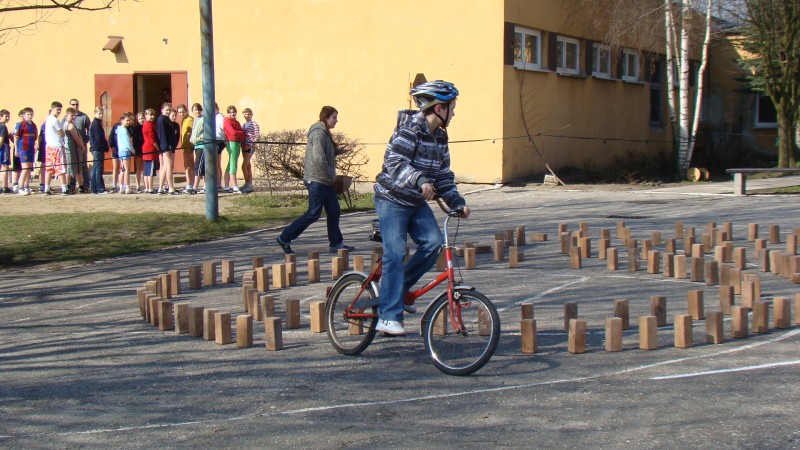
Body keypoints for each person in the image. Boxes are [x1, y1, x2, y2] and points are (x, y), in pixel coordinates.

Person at [373, 80, 470, 336]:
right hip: (391, 199)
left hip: (415, 202)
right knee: (394, 252)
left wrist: (457, 202)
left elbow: (442, 176)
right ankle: (388, 316)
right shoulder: (410, 129)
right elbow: (395, 161)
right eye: (452, 106)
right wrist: (419, 179)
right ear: (439, 108)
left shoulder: (440, 136)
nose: (455, 112)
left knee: (434, 242)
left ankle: (397, 291)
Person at [276, 106, 354, 255]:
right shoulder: (318, 133)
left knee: (334, 211)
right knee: (313, 213)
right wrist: (330, 173)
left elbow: (326, 153)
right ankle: (284, 237)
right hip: (317, 180)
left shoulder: (325, 133)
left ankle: (336, 243)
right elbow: (319, 158)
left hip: (325, 180)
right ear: (326, 117)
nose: (336, 121)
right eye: (334, 117)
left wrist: (340, 150)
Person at [43, 101, 68, 195]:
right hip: (57, 146)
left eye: (60, 110)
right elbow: (62, 133)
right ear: (52, 109)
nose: (59, 111)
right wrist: (61, 133)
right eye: (57, 109)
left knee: (49, 168)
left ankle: (47, 188)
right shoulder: (55, 120)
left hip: (49, 146)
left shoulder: (47, 120)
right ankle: (64, 188)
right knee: (61, 168)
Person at [14, 107, 38, 196]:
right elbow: (15, 138)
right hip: (23, 149)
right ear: (24, 115)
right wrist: (16, 149)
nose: (30, 116)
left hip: (31, 149)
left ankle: (26, 186)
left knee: (29, 169)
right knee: (25, 168)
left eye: (31, 114)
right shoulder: (20, 125)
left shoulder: (33, 125)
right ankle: (20, 187)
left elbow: (35, 137)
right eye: (28, 114)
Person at [69, 98, 91, 193]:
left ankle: (85, 185)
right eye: (73, 104)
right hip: (71, 145)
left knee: (83, 164)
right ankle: (72, 185)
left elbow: (89, 128)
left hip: (82, 144)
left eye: (77, 104)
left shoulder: (84, 116)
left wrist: (86, 139)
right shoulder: (66, 117)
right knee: (72, 165)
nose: (75, 106)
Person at [156, 102, 178, 194]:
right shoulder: (161, 119)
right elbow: (162, 135)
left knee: (165, 167)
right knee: (169, 166)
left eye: (169, 110)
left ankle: (160, 188)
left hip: (169, 145)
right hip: (166, 146)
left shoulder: (166, 119)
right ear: (162, 110)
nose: (168, 111)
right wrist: (166, 147)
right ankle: (171, 188)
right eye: (166, 110)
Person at [63, 107, 85, 193]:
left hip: (70, 149)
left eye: (74, 115)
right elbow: (76, 138)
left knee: (71, 168)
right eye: (71, 115)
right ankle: (78, 186)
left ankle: (77, 186)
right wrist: (82, 146)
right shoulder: (70, 125)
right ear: (67, 115)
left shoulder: (66, 124)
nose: (73, 117)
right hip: (73, 149)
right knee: (75, 168)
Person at [223, 105, 245, 194]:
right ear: (228, 113)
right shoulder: (227, 120)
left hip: (237, 142)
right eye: (230, 112)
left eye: (233, 112)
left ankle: (226, 186)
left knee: (230, 163)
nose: (232, 114)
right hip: (231, 142)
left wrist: (239, 133)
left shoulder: (236, 122)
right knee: (233, 163)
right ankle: (235, 186)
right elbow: (232, 132)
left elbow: (243, 134)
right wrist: (240, 133)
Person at [88, 107, 109, 194]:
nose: (100, 115)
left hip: (96, 148)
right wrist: (104, 146)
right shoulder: (95, 124)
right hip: (97, 148)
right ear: (95, 113)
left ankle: (94, 188)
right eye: (99, 113)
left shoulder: (97, 123)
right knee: (98, 169)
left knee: (95, 168)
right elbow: (98, 137)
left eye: (101, 113)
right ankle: (100, 188)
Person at [177, 104, 196, 194]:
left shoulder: (189, 120)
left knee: (188, 165)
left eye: (183, 112)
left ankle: (189, 184)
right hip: (185, 145)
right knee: (189, 165)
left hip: (188, 145)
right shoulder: (184, 120)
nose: (181, 114)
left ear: (186, 111)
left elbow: (192, 131)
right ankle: (191, 183)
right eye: (180, 112)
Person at [241, 107, 260, 193]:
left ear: (251, 115)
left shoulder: (254, 124)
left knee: (244, 166)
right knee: (248, 166)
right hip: (244, 146)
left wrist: (250, 145)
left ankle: (248, 184)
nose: (247, 115)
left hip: (250, 147)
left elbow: (256, 136)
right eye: (245, 114)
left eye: (248, 114)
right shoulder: (244, 125)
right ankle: (248, 184)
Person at [141, 108, 160, 194]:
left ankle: (147, 187)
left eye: (153, 115)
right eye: (150, 115)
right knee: (151, 170)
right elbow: (153, 139)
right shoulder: (149, 125)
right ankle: (150, 188)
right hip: (151, 148)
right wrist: (158, 148)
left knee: (147, 170)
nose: (152, 117)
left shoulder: (145, 124)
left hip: (146, 147)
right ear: (146, 116)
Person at [189, 103, 205, 193]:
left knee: (198, 166)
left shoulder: (203, 119)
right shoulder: (195, 120)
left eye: (199, 109)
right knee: (201, 166)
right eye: (195, 110)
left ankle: (195, 187)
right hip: (197, 145)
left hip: (202, 145)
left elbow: (207, 132)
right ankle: (204, 186)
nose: (197, 111)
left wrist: (198, 139)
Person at [116, 112, 134, 194]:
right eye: (127, 120)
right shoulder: (123, 130)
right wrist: (132, 149)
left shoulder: (119, 130)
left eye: (130, 120)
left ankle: (121, 187)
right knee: (126, 170)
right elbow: (127, 142)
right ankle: (127, 187)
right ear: (122, 120)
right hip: (125, 150)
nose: (128, 122)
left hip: (121, 151)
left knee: (122, 170)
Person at [131, 112, 145, 192]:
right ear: (137, 120)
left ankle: (145, 184)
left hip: (145, 149)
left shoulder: (146, 126)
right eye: (140, 119)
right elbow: (134, 140)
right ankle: (138, 185)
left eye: (142, 118)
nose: (141, 120)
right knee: (138, 168)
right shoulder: (135, 128)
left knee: (144, 168)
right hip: (138, 149)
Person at [0, 109, 10, 193]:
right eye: (6, 116)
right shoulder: (3, 126)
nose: (7, 118)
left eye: (8, 116)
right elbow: (1, 139)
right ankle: (4, 187)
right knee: (5, 167)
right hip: (3, 147)